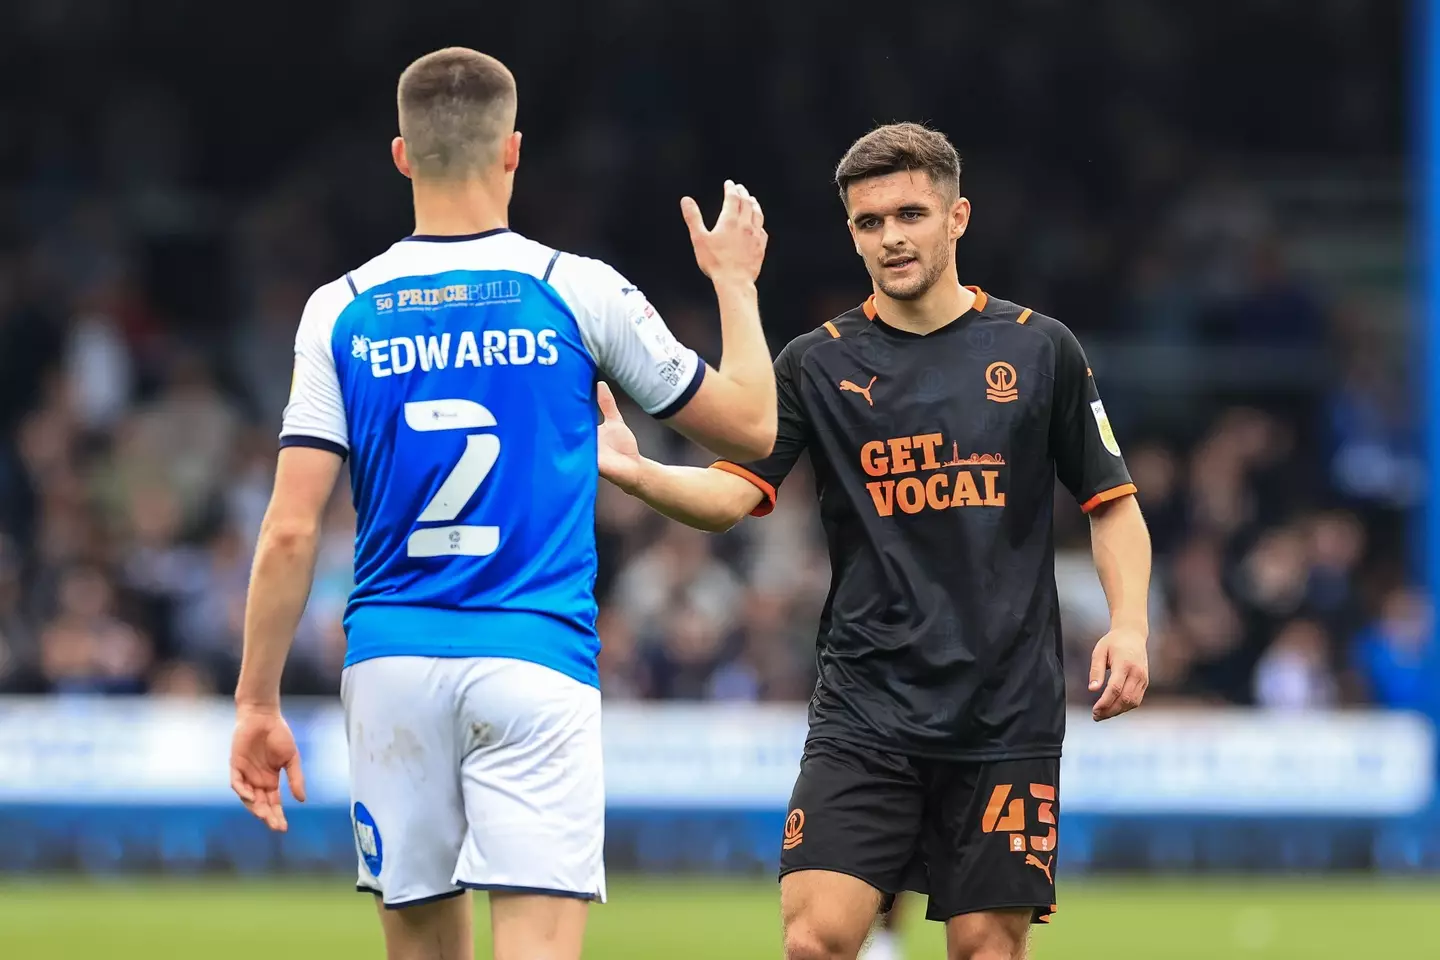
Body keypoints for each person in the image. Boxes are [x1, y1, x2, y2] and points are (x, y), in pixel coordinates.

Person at [228, 47, 774, 960]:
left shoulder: (339, 309)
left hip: (392, 664)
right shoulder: (576, 290)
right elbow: (753, 428)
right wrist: (735, 283)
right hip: (533, 659)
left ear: (400, 155)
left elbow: (289, 529)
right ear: (513, 151)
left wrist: (256, 700)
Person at [596, 122, 1153, 960]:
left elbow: (1112, 503)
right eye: (868, 222)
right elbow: (730, 494)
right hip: (867, 704)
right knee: (815, 940)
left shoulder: (1041, 350)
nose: (891, 236)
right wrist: (641, 476)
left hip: (1005, 709)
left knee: (984, 950)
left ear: (957, 217)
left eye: (910, 213)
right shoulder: (815, 365)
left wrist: (1131, 622)